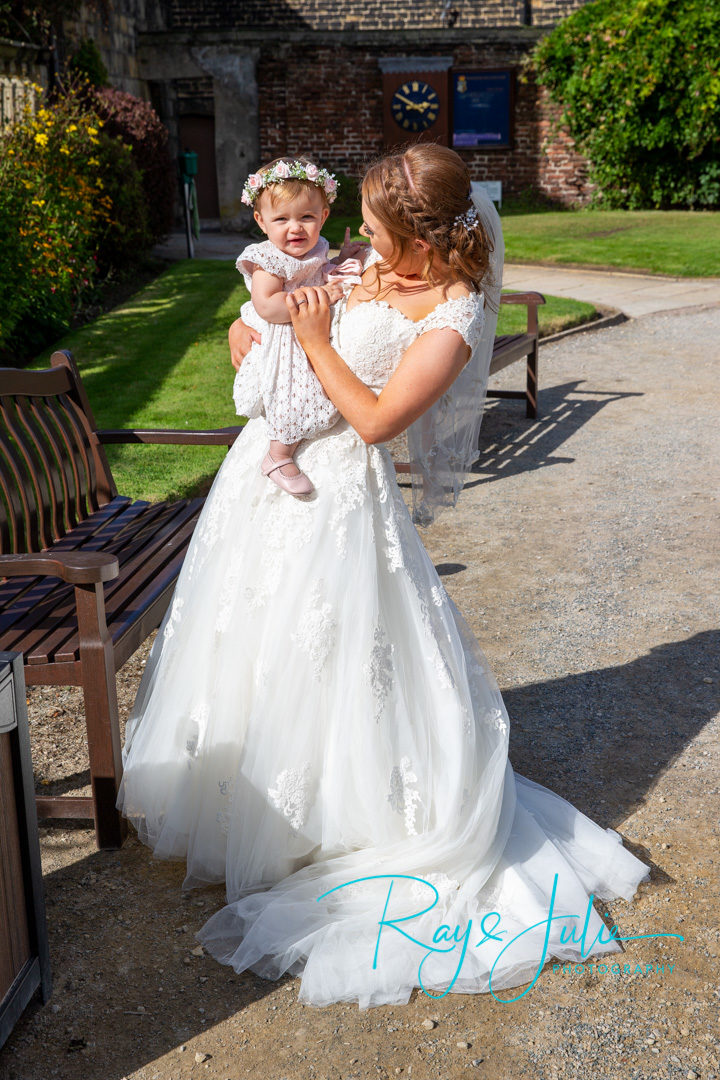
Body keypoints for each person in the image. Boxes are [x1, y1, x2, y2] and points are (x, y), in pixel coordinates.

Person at [118, 144, 650, 1010]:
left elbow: (371, 422)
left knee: (333, 646)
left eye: (370, 228)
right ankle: (242, 806)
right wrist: (258, 342)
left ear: (419, 234)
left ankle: (343, 817)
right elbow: (268, 325)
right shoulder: (371, 267)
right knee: (250, 634)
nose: (354, 241)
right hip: (263, 481)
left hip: (338, 495)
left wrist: (316, 338)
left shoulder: (454, 313)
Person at [233, 156, 365, 495]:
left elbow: (319, 270)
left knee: (318, 387)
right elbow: (268, 306)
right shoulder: (268, 260)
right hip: (281, 335)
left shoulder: (315, 247)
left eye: (307, 217)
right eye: (282, 219)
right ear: (261, 221)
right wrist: (318, 294)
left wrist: (340, 259)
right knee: (289, 390)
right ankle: (278, 454)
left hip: (303, 327)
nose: (296, 228)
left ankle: (303, 438)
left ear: (323, 216)